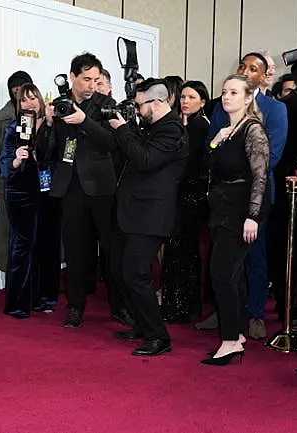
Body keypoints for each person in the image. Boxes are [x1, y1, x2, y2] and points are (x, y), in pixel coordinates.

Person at [109, 78, 189, 356]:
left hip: (151, 214)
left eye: (140, 104)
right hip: (135, 212)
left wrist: (122, 130)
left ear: (156, 103)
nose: (138, 110)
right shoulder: (154, 127)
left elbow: (144, 160)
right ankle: (143, 326)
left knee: (136, 273)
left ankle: (159, 337)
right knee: (123, 270)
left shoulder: (171, 130)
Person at [47, 52, 127, 328]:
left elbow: (113, 143)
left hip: (102, 187)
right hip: (70, 187)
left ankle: (119, 306)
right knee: (76, 251)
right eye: (86, 79)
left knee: (111, 250)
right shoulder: (59, 106)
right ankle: (75, 307)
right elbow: (49, 151)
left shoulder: (106, 104)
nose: (92, 85)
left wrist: (84, 121)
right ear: (72, 77)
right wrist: (46, 124)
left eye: (96, 79)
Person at [203, 74, 269, 366]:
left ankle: (229, 340)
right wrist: (215, 144)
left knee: (221, 273)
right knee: (232, 274)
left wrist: (252, 216)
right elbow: (209, 169)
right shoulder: (226, 130)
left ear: (247, 98)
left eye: (233, 92)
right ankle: (237, 335)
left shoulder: (253, 130)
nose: (226, 97)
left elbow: (260, 176)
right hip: (222, 209)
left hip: (242, 211)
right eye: (224, 91)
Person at [0, 83, 61, 318]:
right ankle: (18, 303)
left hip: (47, 191)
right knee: (22, 246)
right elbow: (3, 165)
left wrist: (50, 126)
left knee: (47, 244)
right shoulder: (13, 128)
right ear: (19, 105)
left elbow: (63, 155)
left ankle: (44, 298)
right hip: (21, 192)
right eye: (24, 100)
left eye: (33, 98)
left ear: (41, 100)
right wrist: (16, 159)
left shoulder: (52, 125)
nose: (30, 103)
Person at [160, 81, 210, 323]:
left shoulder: (200, 126)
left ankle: (179, 305)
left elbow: (189, 163)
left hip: (190, 195)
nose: (185, 101)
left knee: (181, 249)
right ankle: (183, 304)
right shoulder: (185, 124)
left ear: (202, 101)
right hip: (179, 193)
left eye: (191, 96)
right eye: (183, 96)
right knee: (179, 249)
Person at [0, 71, 34, 273]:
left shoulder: (43, 116)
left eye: (23, 91)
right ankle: (12, 277)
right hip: (9, 183)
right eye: (15, 91)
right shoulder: (2, 119)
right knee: (9, 234)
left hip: (36, 184)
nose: (19, 95)